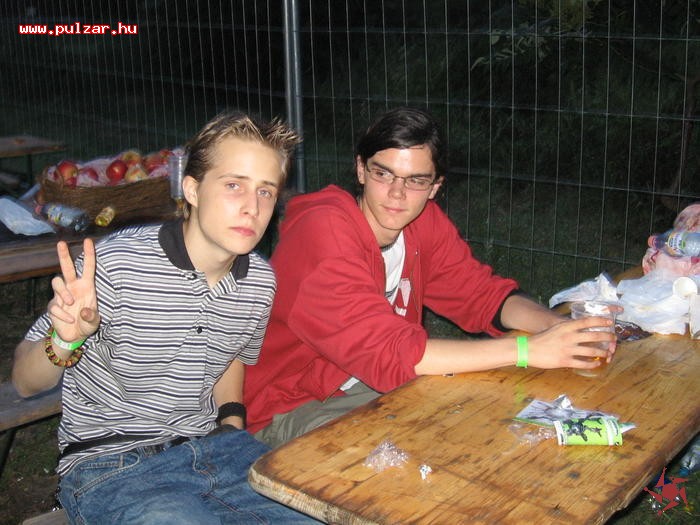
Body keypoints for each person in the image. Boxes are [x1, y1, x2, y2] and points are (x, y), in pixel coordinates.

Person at [244, 106, 617, 448]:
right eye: (383, 173)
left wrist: (560, 329)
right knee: (419, 456)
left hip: (370, 382)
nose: (397, 194)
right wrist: (527, 351)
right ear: (360, 170)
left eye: (416, 181)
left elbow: (481, 295)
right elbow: (388, 354)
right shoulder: (322, 232)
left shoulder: (422, 223)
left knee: (491, 424)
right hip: (291, 404)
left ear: (435, 187)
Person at [12, 111, 317, 523]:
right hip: (113, 465)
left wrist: (231, 423)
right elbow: (24, 381)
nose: (252, 207)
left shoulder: (259, 283)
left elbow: (229, 355)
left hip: (217, 451)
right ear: (192, 189)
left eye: (265, 191)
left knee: (319, 514)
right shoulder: (116, 263)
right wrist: (66, 340)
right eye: (234, 185)